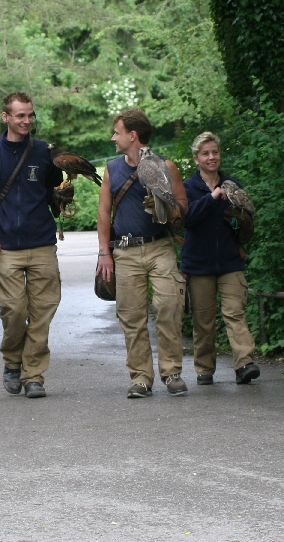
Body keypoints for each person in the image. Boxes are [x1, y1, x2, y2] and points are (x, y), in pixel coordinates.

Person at [0, 92, 73, 399]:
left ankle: (33, 374)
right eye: (20, 115)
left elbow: (55, 186)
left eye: (30, 115)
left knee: (43, 310)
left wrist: (63, 195)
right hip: (5, 244)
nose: (26, 121)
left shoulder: (42, 151)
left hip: (42, 242)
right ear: (6, 117)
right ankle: (13, 362)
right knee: (14, 310)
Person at [96, 108, 190, 398]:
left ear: (132, 135)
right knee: (132, 316)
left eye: (117, 132)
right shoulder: (113, 168)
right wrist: (104, 253)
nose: (113, 137)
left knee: (169, 306)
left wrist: (168, 206)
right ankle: (140, 378)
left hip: (160, 246)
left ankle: (172, 372)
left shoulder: (165, 166)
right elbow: (103, 211)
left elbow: (183, 205)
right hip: (125, 250)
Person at [181, 131, 260, 386]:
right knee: (203, 321)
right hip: (198, 264)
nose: (211, 157)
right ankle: (205, 368)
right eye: (205, 153)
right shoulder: (187, 187)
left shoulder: (232, 184)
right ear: (196, 158)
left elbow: (246, 221)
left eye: (215, 152)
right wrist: (211, 198)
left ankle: (244, 364)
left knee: (235, 313)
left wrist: (239, 218)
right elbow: (187, 218)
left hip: (230, 261)